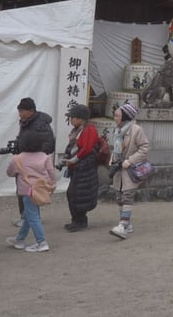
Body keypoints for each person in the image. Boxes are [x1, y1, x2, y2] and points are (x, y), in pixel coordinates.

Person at [5, 131, 56, 252]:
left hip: (27, 191)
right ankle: (20, 239)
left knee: (32, 217)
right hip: (40, 190)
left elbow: (9, 172)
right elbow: (51, 172)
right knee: (29, 215)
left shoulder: (17, 159)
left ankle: (41, 242)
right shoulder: (45, 157)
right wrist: (51, 185)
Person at [108, 103, 150, 240]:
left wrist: (130, 160)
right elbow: (116, 148)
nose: (115, 118)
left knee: (127, 196)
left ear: (125, 116)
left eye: (117, 115)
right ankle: (127, 223)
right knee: (119, 197)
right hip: (119, 169)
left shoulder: (136, 130)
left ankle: (123, 226)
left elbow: (144, 147)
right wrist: (112, 159)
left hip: (130, 170)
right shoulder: (117, 130)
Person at [14, 97, 55, 227]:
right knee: (23, 190)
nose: (20, 114)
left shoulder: (40, 124)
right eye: (19, 111)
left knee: (33, 191)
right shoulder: (26, 122)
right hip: (24, 160)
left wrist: (34, 156)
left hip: (34, 164)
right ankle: (25, 216)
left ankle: (33, 218)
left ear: (31, 111)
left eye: (22, 111)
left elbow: (49, 144)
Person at [60, 104, 100, 232]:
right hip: (77, 167)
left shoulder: (89, 130)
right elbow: (73, 148)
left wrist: (73, 161)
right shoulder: (78, 130)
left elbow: (86, 150)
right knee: (74, 194)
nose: (71, 120)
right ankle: (76, 220)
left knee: (77, 195)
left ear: (80, 119)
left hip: (84, 169)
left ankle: (80, 221)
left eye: (72, 117)